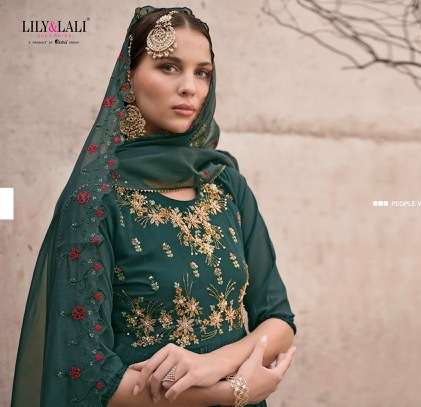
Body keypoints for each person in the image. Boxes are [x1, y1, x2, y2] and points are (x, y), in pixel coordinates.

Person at [11, 6, 297, 407]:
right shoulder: (96, 200)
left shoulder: (225, 183)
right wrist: (232, 390)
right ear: (129, 78)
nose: (190, 87)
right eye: (168, 67)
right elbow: (87, 377)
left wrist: (213, 364)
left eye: (202, 73)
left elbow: (279, 321)